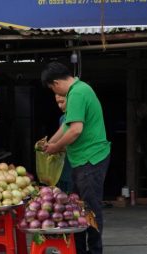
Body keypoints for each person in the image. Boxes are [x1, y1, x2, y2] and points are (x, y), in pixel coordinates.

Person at [41, 62, 111, 254]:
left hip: (91, 159)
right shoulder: (78, 91)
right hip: (82, 159)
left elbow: (75, 130)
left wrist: (56, 147)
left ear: (56, 83)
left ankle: (94, 251)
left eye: (52, 88)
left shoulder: (78, 93)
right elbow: (66, 126)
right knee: (77, 208)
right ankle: (79, 249)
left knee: (91, 208)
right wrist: (49, 143)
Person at [54, 94, 73, 193]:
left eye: (62, 102)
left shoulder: (77, 118)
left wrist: (55, 147)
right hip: (63, 163)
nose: (60, 106)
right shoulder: (62, 118)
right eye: (58, 102)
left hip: (75, 162)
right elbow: (61, 138)